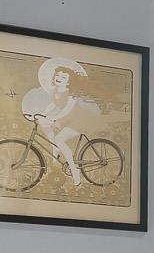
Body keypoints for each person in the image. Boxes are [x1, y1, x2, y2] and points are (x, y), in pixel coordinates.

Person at [19, 57, 99, 186]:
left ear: (69, 81)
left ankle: (74, 169)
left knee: (60, 139)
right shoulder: (55, 90)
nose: (59, 78)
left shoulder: (72, 93)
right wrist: (41, 114)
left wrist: (55, 117)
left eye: (63, 77)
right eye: (57, 75)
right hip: (66, 120)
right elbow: (52, 105)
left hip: (77, 120)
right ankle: (55, 148)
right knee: (43, 122)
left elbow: (67, 109)